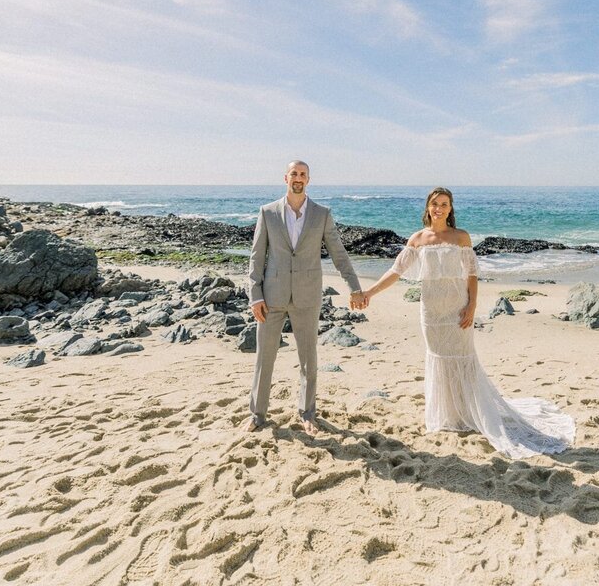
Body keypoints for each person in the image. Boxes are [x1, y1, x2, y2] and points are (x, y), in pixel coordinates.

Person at [361, 187, 575, 458]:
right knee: (439, 357)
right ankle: (450, 416)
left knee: (463, 357)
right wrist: (369, 293)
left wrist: (472, 305)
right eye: (435, 204)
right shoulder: (417, 239)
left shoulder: (461, 237)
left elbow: (471, 275)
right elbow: (395, 271)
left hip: (457, 307)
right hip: (431, 311)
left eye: (444, 204)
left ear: (450, 209)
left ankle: (472, 412)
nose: (439, 208)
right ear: (428, 207)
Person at [246, 160, 366, 434]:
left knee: (308, 359)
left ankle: (307, 413)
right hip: (271, 297)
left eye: (302, 174)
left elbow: (338, 254)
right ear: (285, 178)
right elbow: (256, 256)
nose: (298, 178)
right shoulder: (268, 213)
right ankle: (257, 415)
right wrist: (255, 295)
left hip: (308, 296)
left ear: (308, 180)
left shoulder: (321, 214)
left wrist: (354, 287)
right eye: (294, 174)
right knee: (264, 358)